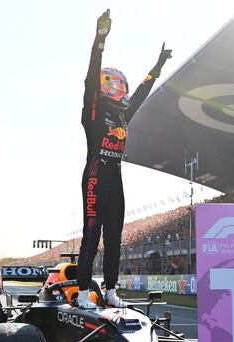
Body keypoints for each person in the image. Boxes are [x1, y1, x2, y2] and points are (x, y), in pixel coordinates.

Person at [76, 10, 172, 309]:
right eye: (115, 84)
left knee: (114, 239)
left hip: (115, 180)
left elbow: (142, 92)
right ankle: (81, 294)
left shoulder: (122, 114)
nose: (120, 89)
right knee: (91, 238)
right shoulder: (93, 112)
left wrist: (157, 67)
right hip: (95, 177)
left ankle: (110, 290)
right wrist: (99, 42)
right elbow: (91, 78)